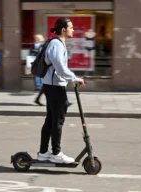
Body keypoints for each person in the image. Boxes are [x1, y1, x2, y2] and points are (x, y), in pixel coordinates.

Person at [37, 17, 85, 164]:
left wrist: (71, 78)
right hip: (54, 87)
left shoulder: (57, 43)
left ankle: (43, 152)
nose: (73, 30)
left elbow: (60, 68)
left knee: (51, 120)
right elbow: (60, 68)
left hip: (51, 85)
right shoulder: (56, 44)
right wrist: (75, 78)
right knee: (57, 121)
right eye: (71, 27)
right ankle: (56, 153)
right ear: (63, 29)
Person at [29, 34, 45, 106]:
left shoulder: (39, 45)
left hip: (37, 62)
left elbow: (32, 53)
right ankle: (38, 86)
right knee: (38, 74)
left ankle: (39, 88)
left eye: (37, 38)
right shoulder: (38, 45)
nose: (36, 39)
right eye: (36, 38)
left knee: (38, 74)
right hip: (38, 62)